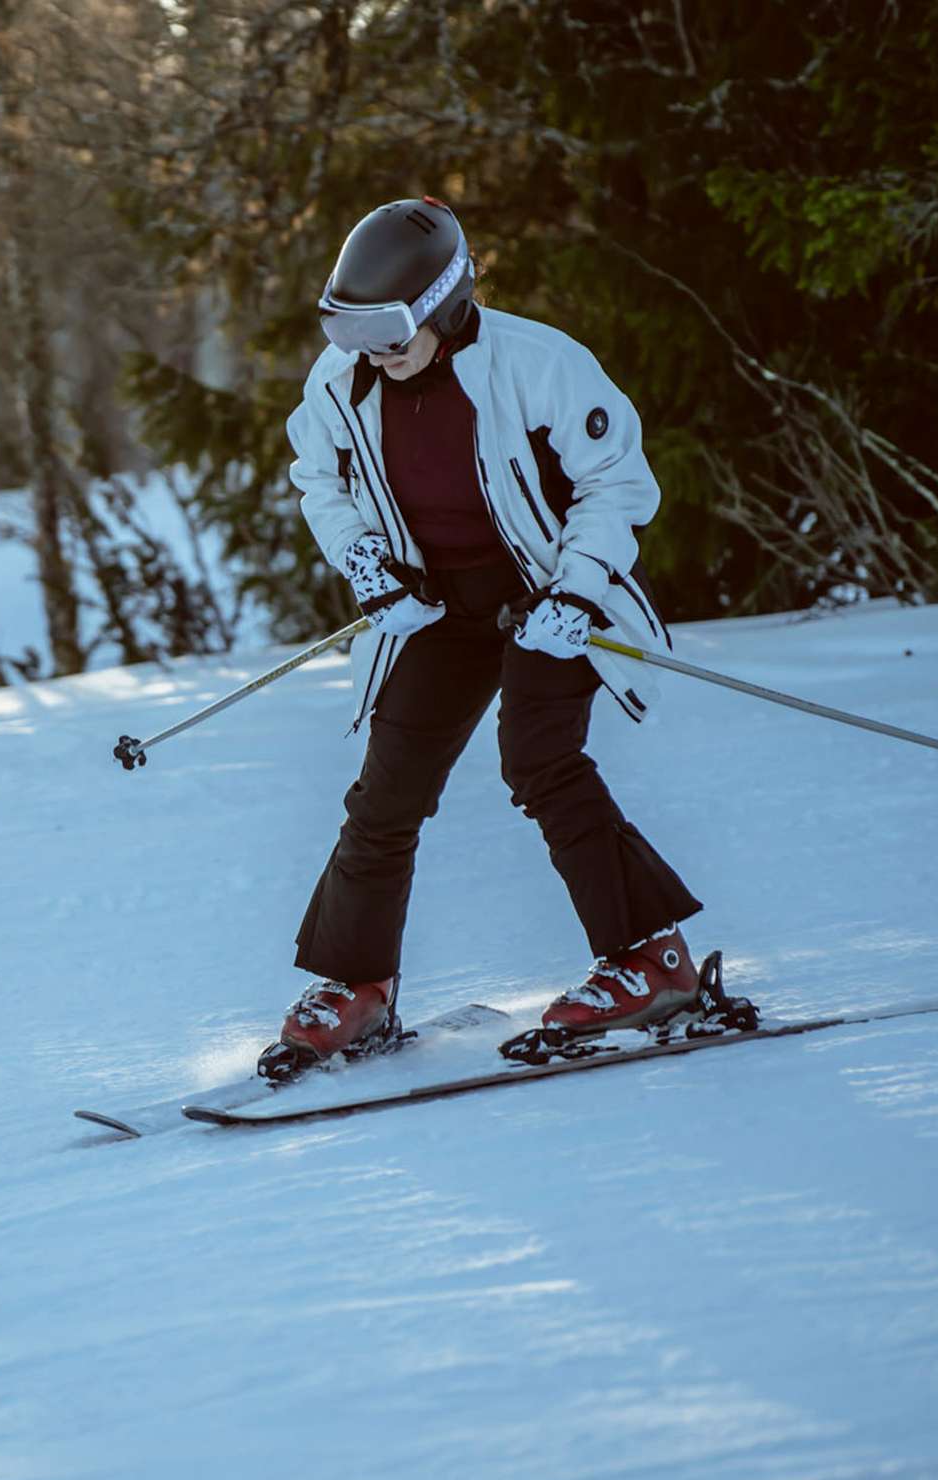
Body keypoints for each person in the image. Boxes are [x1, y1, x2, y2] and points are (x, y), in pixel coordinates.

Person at [276, 195, 702, 1066]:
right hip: (434, 603)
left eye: (388, 331)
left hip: (551, 595)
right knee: (387, 788)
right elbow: (319, 481)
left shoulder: (540, 365)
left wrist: (578, 594)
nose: (370, 354)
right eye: (348, 331)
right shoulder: (343, 381)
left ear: (443, 304)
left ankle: (650, 960)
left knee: (541, 761)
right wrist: (367, 564)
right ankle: (359, 985)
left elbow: (617, 485)